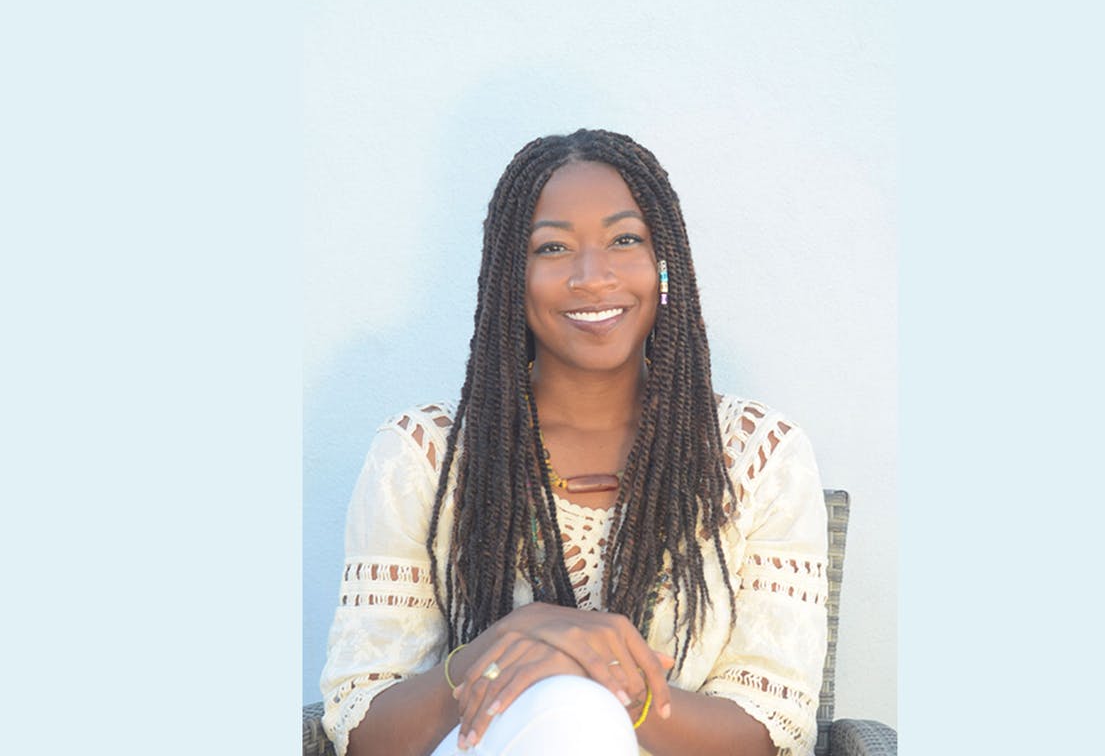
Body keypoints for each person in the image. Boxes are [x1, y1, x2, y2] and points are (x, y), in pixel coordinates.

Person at [320, 129, 829, 756]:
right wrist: (506, 646)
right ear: (512, 277)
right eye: (553, 247)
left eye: (625, 240)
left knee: (570, 705)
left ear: (664, 265)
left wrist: (584, 672)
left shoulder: (758, 458)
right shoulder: (422, 458)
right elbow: (362, 730)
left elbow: (772, 731)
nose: (593, 277)